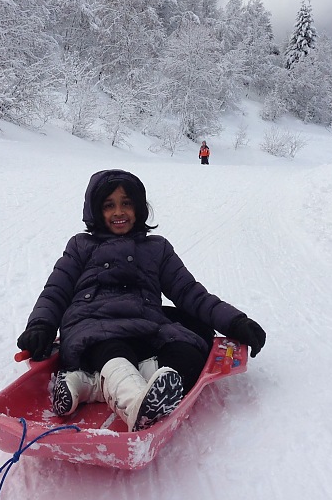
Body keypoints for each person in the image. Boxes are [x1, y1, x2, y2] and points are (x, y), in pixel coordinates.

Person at [17, 169, 266, 432]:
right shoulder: (81, 246)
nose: (119, 212)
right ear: (95, 211)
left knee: (190, 350)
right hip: (93, 327)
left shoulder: (157, 249)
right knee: (114, 352)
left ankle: (92, 385)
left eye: (127, 203)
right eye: (108, 206)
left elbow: (189, 293)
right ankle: (137, 404)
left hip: (146, 326)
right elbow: (57, 289)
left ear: (139, 207)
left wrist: (236, 322)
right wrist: (40, 327)